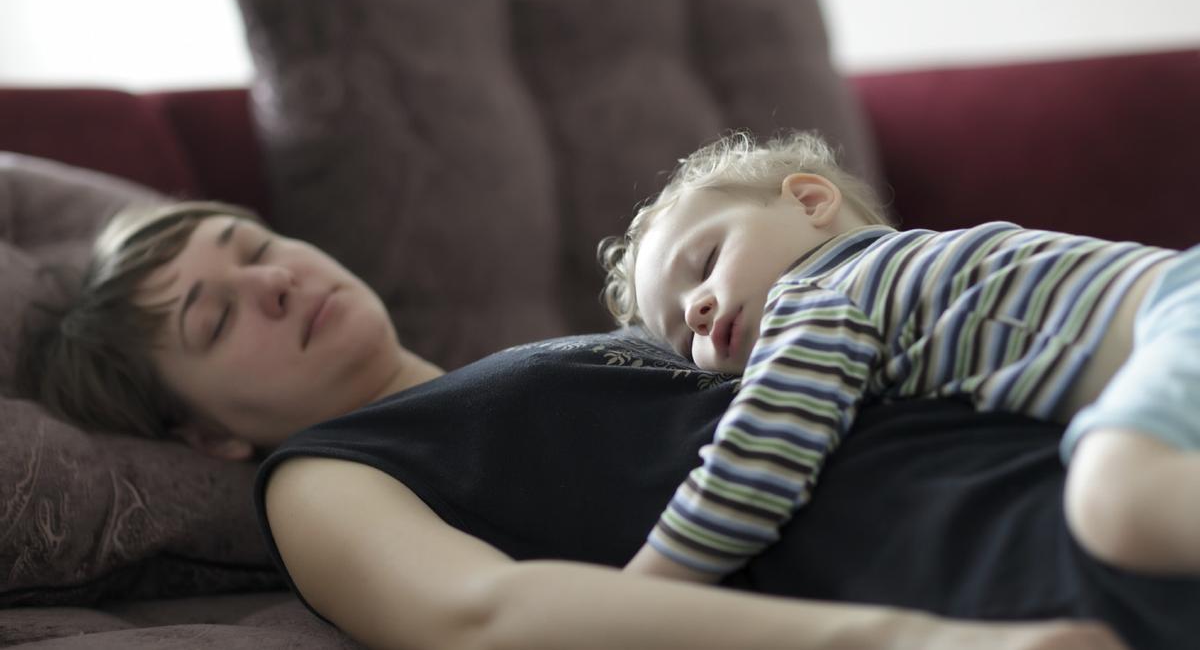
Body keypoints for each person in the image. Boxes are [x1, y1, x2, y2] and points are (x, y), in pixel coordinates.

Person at [16, 200, 1131, 650]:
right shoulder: (327, 477)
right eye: (214, 318)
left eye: (254, 247)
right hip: (994, 571)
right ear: (207, 437)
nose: (273, 284)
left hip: (1093, 439)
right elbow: (488, 617)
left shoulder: (590, 342)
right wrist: (922, 646)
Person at [599, 129, 1200, 589]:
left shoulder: (817, 290)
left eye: (704, 265)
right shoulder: (910, 284)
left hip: (1174, 315)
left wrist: (638, 591)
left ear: (810, 201)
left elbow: (756, 463)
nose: (699, 311)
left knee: (1115, 501)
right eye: (683, 337)